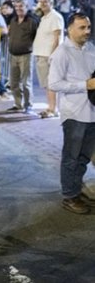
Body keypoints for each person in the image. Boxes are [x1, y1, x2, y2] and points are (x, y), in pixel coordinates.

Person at [48, 13, 95, 214]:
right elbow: (54, 84)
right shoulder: (61, 53)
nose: (87, 31)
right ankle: (69, 196)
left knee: (84, 156)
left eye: (88, 27)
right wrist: (84, 85)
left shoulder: (91, 48)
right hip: (74, 113)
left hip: (92, 111)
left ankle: (76, 189)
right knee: (71, 157)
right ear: (69, 29)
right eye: (82, 27)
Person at [33, 0, 64, 118]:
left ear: (52, 3)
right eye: (41, 2)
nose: (43, 4)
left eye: (45, 2)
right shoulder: (44, 17)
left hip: (48, 55)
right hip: (41, 54)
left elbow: (58, 37)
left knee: (51, 84)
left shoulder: (55, 17)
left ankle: (53, 109)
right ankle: (50, 107)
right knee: (47, 84)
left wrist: (53, 55)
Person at [6, 0, 39, 114]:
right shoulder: (13, 21)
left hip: (26, 55)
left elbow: (36, 36)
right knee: (14, 82)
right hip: (13, 55)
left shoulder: (31, 21)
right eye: (17, 6)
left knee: (26, 83)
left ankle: (28, 105)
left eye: (21, 6)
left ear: (27, 7)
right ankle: (18, 104)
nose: (19, 9)